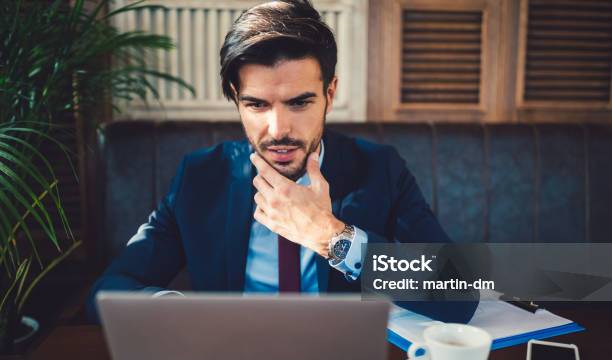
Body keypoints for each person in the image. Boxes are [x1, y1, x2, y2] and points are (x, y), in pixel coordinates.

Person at [86, 0, 478, 323]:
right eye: (256, 104)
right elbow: (107, 290)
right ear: (235, 98)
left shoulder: (380, 168)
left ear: (330, 92)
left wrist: (332, 238)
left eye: (300, 102)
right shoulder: (200, 176)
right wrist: (180, 313)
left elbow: (458, 295)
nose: (278, 130)